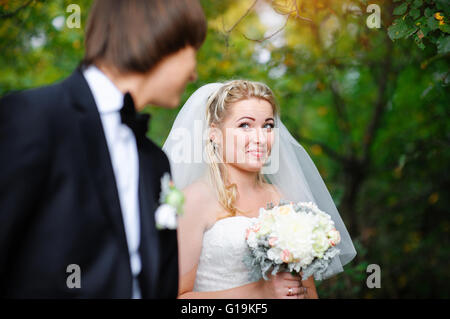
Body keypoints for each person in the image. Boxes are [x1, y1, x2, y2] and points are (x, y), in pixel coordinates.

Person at [0, 0, 206, 298]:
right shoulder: (32, 118)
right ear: (161, 37)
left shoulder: (155, 162)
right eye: (194, 52)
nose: (193, 74)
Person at [162, 80, 357, 298]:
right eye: (245, 125)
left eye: (268, 125)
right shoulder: (193, 201)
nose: (260, 138)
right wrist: (260, 292)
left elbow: (307, 291)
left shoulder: (283, 201)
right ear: (214, 134)